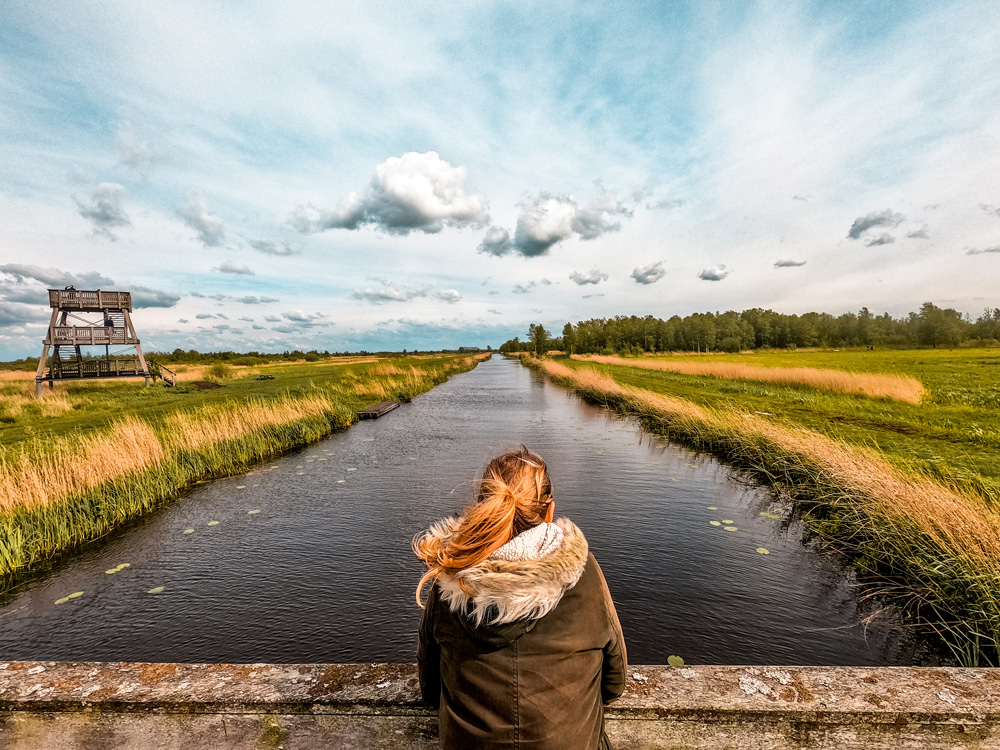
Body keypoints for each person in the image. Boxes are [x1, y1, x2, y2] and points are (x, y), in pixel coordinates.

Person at [414, 446, 627, 749]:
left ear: (481, 508)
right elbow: (614, 682)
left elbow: (430, 686)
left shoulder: (451, 580)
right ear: (549, 511)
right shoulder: (584, 574)